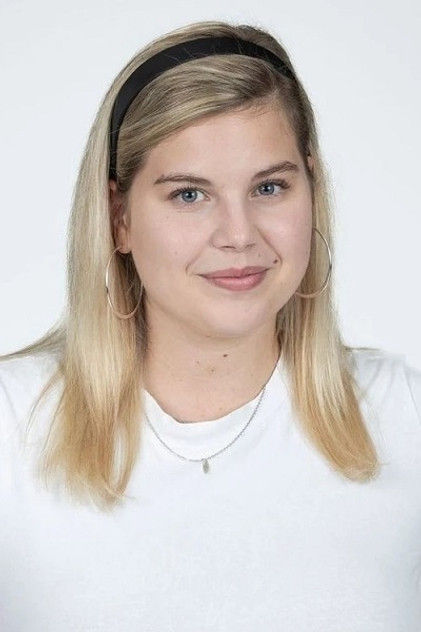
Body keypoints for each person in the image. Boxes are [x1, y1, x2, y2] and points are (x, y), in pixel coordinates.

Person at [0, 19, 420, 632]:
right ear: (119, 218)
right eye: (189, 195)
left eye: (270, 187)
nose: (239, 235)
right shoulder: (12, 429)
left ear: (312, 190)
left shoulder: (405, 417)